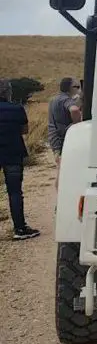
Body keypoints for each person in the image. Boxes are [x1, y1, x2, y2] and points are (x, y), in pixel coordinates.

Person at [0, 79, 40, 240]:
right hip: (13, 153)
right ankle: (20, 229)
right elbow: (25, 130)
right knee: (15, 192)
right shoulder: (17, 109)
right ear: (7, 92)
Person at [47, 77, 82, 168]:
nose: (79, 90)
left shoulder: (54, 100)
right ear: (70, 88)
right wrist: (76, 125)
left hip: (55, 139)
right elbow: (74, 110)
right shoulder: (66, 100)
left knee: (60, 170)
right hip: (65, 140)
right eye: (77, 87)